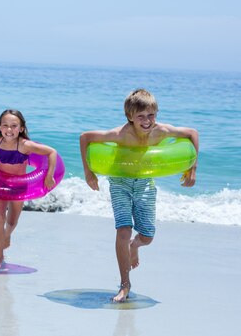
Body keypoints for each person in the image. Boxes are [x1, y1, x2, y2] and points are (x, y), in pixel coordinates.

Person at [79, 88, 199, 302]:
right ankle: (125, 285)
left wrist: (192, 168)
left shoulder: (161, 131)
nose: (147, 121)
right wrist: (89, 173)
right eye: (141, 116)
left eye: (151, 115)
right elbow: (85, 137)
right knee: (123, 230)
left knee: (148, 236)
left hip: (144, 182)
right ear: (130, 117)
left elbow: (192, 133)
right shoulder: (121, 134)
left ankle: (135, 246)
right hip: (120, 181)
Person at [0, 109, 58, 270]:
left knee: (12, 221)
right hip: (0, 183)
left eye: (14, 126)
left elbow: (51, 152)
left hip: (20, 185)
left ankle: (7, 234)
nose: (9, 129)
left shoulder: (25, 145)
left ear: (21, 128)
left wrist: (49, 176)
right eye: (5, 125)